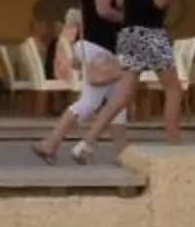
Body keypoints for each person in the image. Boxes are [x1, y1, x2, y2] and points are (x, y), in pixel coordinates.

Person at [114, 0, 183, 142]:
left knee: (125, 94)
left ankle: (110, 139)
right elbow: (160, 1)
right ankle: (173, 139)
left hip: (128, 32)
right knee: (173, 88)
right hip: (151, 32)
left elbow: (122, 2)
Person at [34, 11, 133, 165]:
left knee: (117, 104)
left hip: (101, 47)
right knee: (90, 103)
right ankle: (52, 143)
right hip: (105, 49)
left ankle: (121, 153)